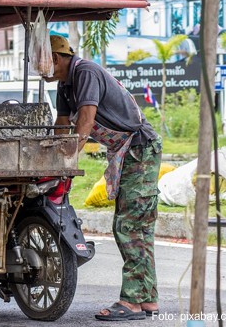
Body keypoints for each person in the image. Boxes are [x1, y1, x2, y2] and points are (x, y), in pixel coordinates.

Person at [43, 35, 162, 322]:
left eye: (41, 63)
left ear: (56, 59)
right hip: (126, 151)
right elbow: (62, 124)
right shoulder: (64, 85)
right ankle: (147, 298)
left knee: (130, 225)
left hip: (140, 149)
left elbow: (85, 117)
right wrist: (51, 158)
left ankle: (131, 302)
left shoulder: (85, 72)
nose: (39, 70)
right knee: (136, 226)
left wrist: (70, 158)